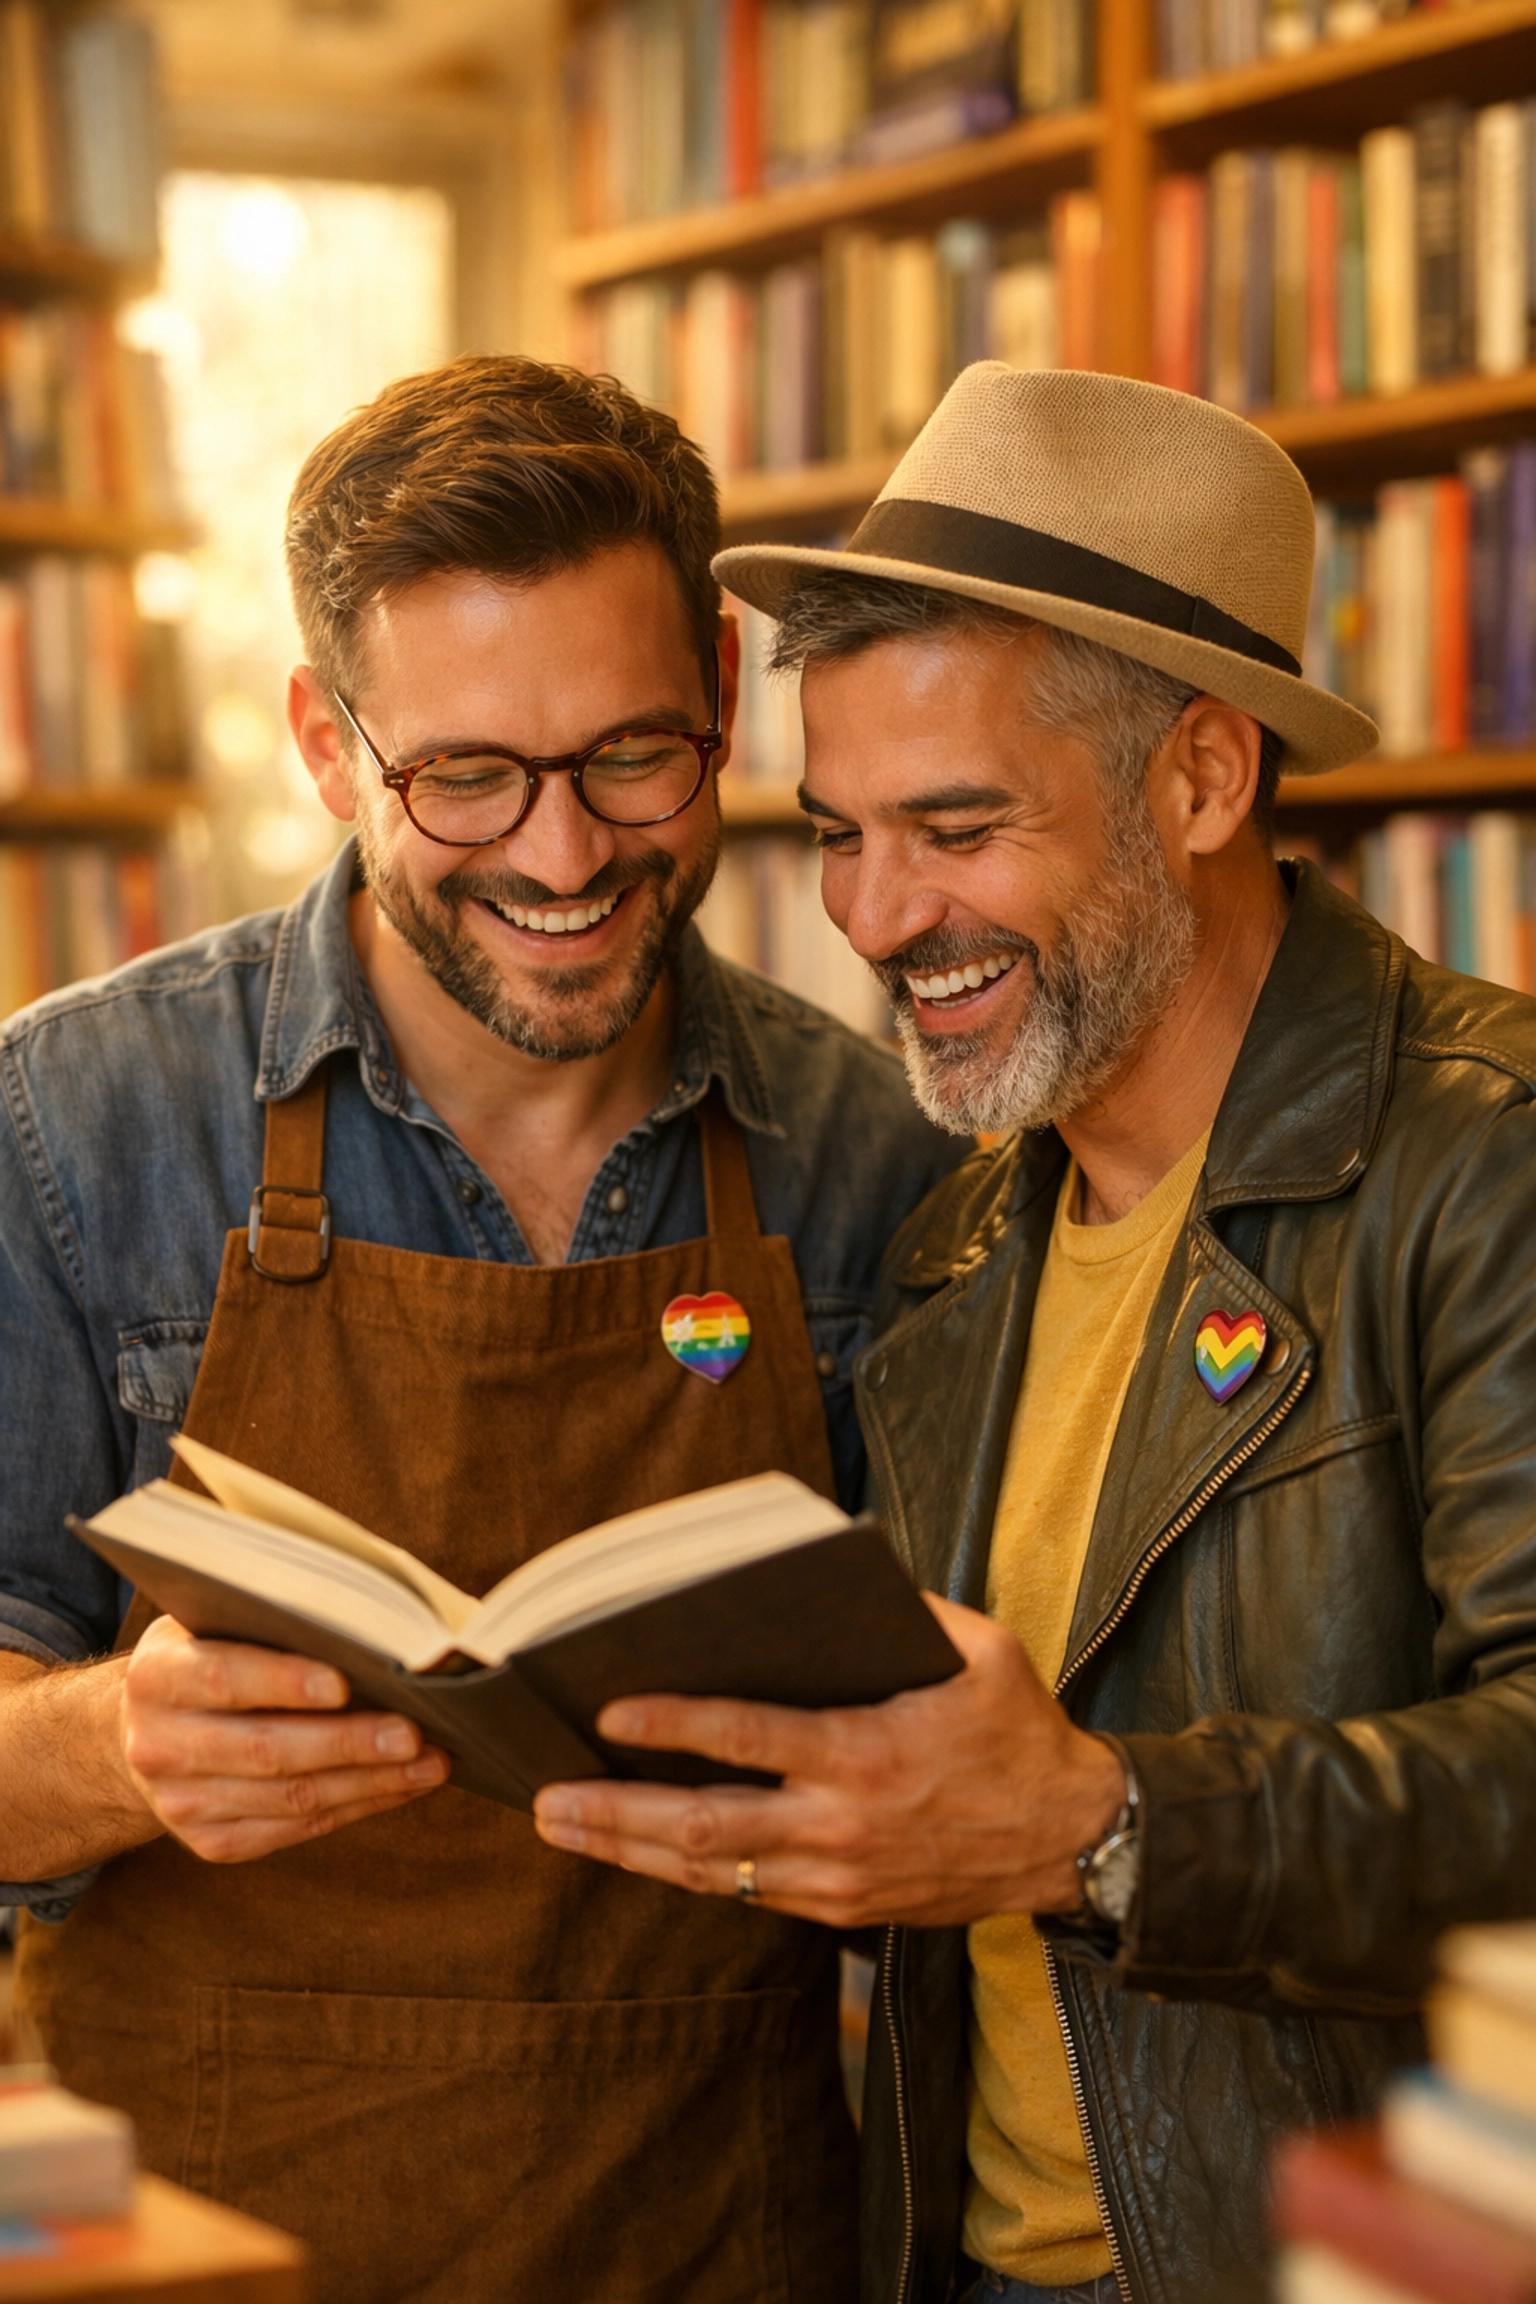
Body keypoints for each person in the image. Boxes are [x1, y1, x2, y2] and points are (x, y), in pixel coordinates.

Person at [528, 365, 1536, 2304]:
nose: (879, 916)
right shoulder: (959, 1236)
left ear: (1206, 778)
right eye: (835, 832)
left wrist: (1112, 1830)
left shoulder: (1480, 1171)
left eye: (958, 826)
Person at [0, 354, 965, 2304]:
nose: (560, 856)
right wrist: (113, 1749)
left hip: (723, 2235)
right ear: (325, 743)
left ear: (716, 685)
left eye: (634, 755)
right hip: (198, 2242)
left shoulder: (868, 1149)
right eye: (464, 778)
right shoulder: (70, 1129)